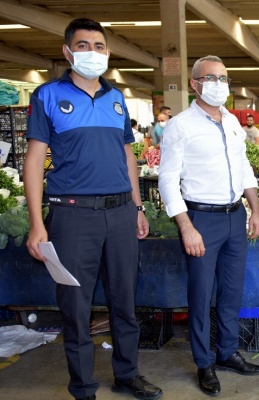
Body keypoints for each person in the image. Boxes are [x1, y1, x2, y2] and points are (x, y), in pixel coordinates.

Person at [23, 18, 161, 400]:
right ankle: (83, 386)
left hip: (120, 213)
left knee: (125, 300)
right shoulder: (48, 95)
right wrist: (38, 224)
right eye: (84, 45)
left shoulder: (117, 98)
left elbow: (127, 157)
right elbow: (34, 161)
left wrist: (137, 206)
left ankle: (127, 375)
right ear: (68, 52)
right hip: (72, 215)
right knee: (75, 305)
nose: (93, 52)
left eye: (100, 46)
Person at [157, 55, 259, 397]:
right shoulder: (181, 126)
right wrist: (186, 226)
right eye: (211, 78)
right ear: (194, 84)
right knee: (201, 295)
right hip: (201, 219)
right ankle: (204, 363)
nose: (219, 84)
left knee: (231, 291)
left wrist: (255, 208)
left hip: (235, 217)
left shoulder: (232, 120)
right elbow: (167, 181)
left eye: (223, 78)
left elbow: (244, 167)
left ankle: (228, 352)